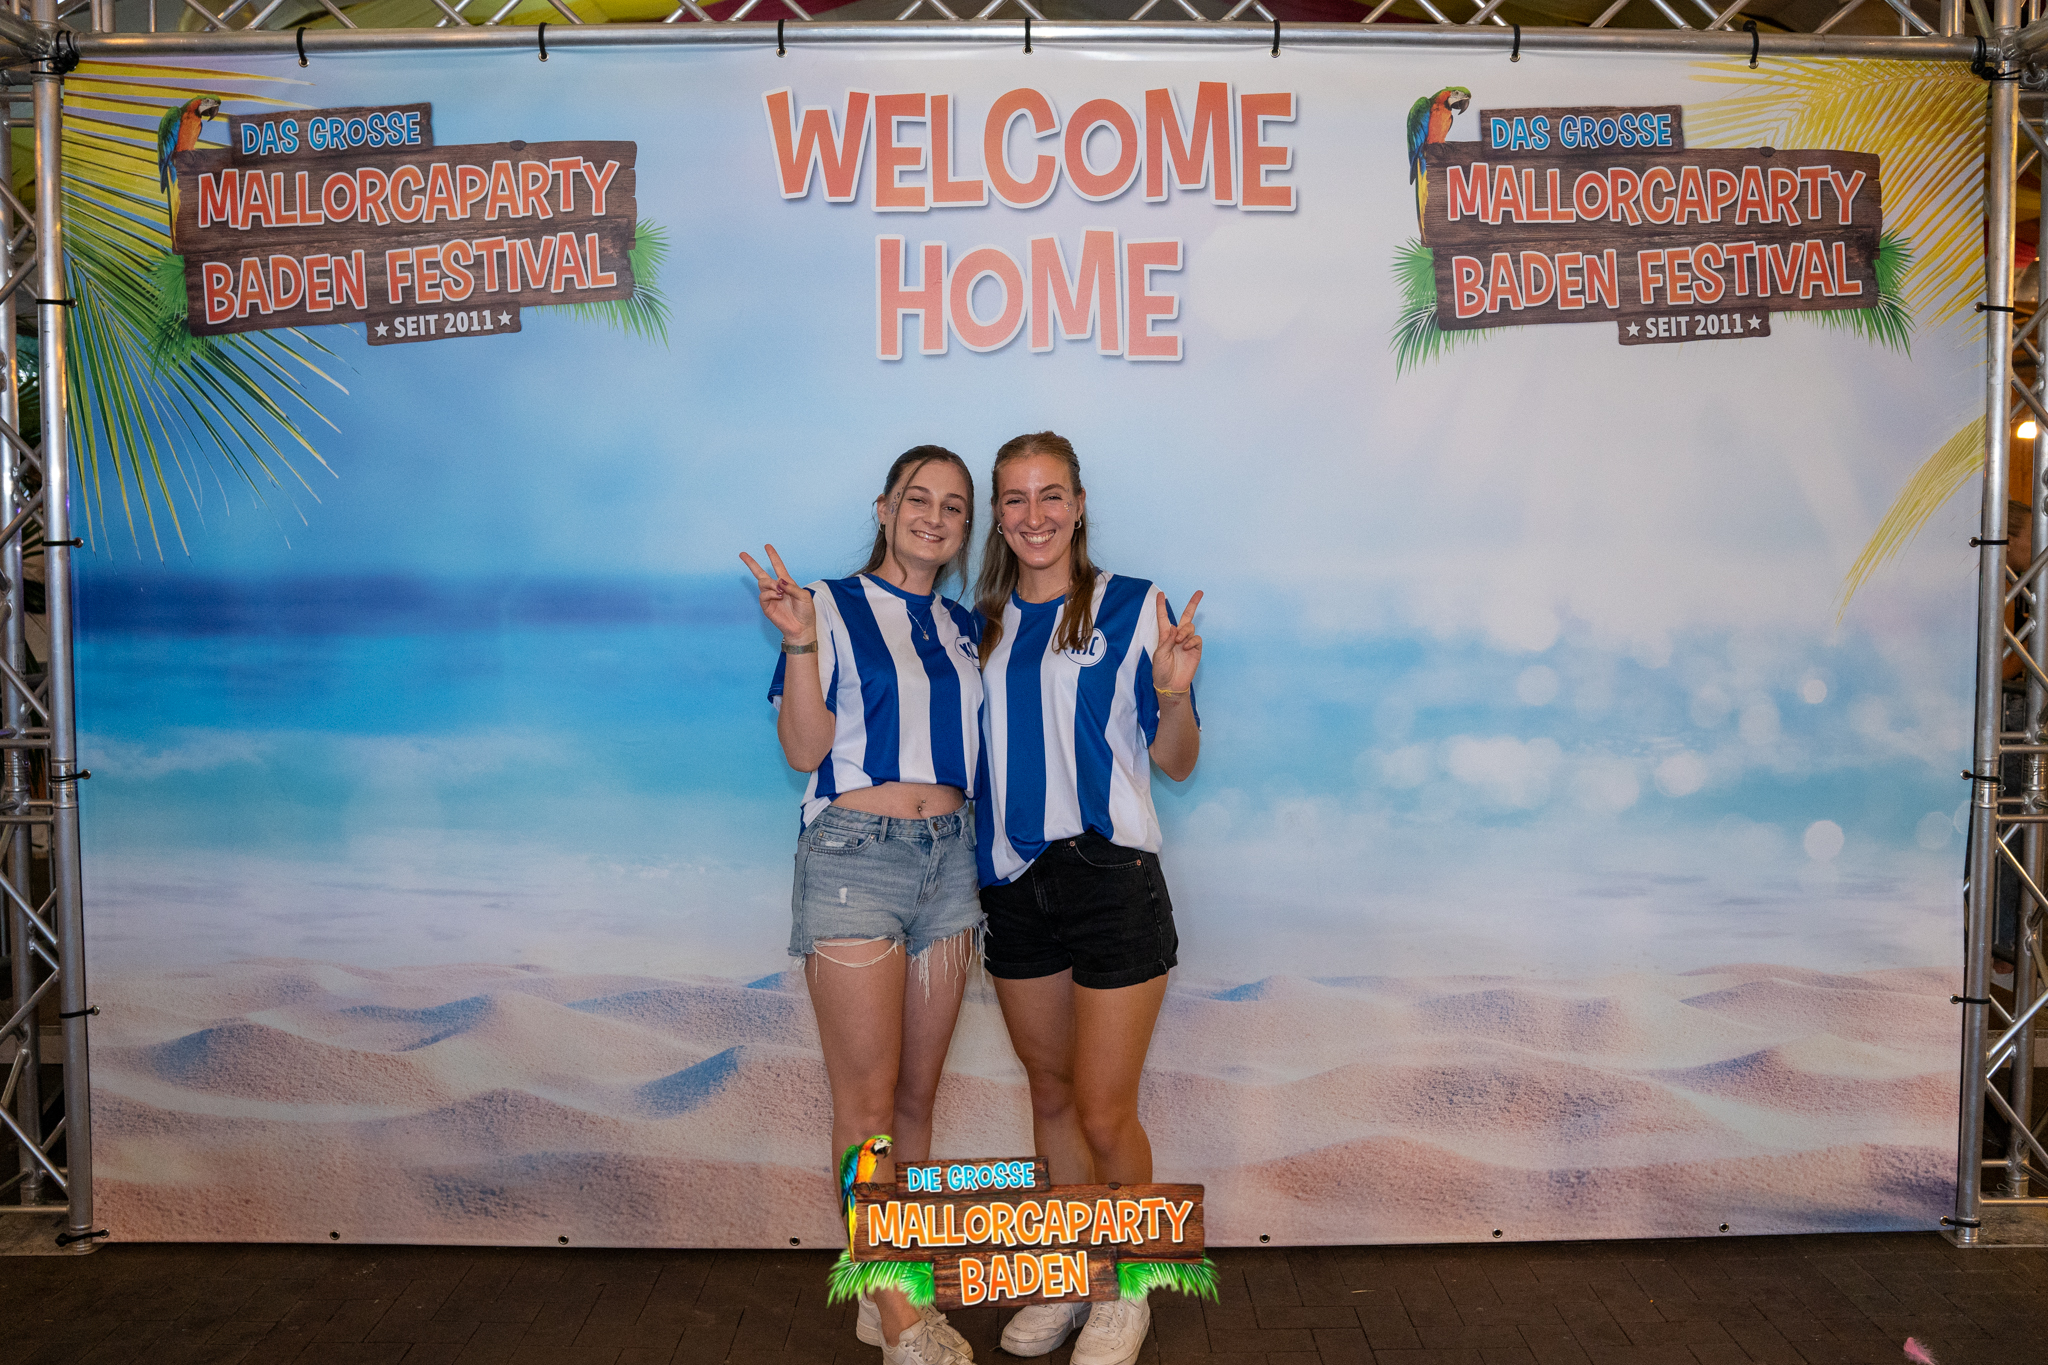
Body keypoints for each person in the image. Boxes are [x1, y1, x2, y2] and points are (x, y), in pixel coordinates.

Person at [741, 446, 985, 1365]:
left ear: (967, 528)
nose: (934, 516)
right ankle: (903, 1323)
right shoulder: (827, 605)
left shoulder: (966, 627)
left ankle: (889, 1286)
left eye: (953, 506)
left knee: (916, 1100)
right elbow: (804, 750)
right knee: (867, 1107)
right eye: (917, 498)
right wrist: (799, 643)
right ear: (884, 508)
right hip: (855, 859)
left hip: (951, 864)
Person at [971, 432, 1203, 1365]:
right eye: (1016, 498)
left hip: (1110, 880)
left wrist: (1174, 697)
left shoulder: (1135, 605)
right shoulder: (979, 624)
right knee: (1053, 1094)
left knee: (1106, 1110)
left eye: (1051, 495)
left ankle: (1128, 1288)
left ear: (1077, 504)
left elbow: (1177, 762)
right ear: (999, 515)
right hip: (1014, 888)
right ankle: (1071, 1273)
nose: (1035, 515)